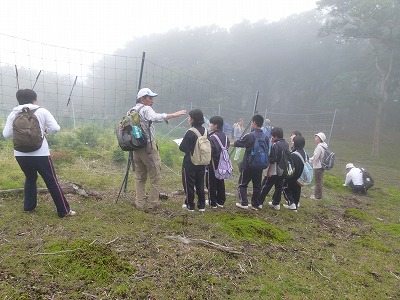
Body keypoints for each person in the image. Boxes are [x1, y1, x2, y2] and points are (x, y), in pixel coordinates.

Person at [2, 89, 75, 217]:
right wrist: (46, 130)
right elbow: (56, 128)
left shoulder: (14, 114)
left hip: (20, 154)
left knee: (30, 178)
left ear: (18, 100)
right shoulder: (42, 111)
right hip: (40, 153)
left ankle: (28, 207)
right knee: (51, 181)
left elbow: (6, 135)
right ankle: (64, 211)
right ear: (34, 99)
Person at [131, 88, 187, 211]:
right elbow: (155, 117)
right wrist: (173, 115)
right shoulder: (146, 109)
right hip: (148, 147)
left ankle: (139, 203)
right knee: (155, 176)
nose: (152, 101)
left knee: (140, 176)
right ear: (142, 99)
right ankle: (152, 204)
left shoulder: (132, 110)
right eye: (149, 98)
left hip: (135, 147)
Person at [234, 114, 269, 210]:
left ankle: (244, 203)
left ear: (253, 123)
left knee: (242, 184)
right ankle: (255, 204)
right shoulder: (266, 137)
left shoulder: (250, 135)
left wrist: (230, 143)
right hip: (260, 165)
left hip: (248, 164)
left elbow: (239, 143)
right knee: (257, 185)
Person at [179, 109, 208, 212]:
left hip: (190, 162)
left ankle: (190, 205)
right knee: (200, 183)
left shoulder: (190, 132)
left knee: (188, 183)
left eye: (189, 117)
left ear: (193, 119)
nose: (188, 119)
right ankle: (201, 205)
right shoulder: (205, 131)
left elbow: (182, 147)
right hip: (202, 161)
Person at [258, 127, 290, 210]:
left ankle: (259, 203)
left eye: (272, 135)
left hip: (274, 170)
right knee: (279, 187)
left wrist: (269, 171)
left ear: (275, 136)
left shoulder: (276, 145)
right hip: (283, 170)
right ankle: (276, 203)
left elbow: (272, 160)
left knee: (266, 186)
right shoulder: (286, 144)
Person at [206, 116, 230, 208]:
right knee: (220, 181)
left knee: (210, 182)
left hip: (213, 163)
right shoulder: (225, 136)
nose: (210, 125)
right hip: (223, 163)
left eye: (211, 123)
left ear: (215, 125)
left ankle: (212, 202)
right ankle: (221, 201)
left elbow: (210, 151)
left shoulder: (212, 137)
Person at [282, 135, 306, 211]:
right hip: (299, 176)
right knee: (296, 190)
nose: (292, 143)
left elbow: (291, 166)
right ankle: (295, 204)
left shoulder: (295, 154)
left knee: (286, 188)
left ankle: (291, 204)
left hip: (293, 176)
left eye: (293, 141)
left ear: (296, 144)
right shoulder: (303, 153)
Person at [309, 132, 328, 200]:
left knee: (317, 182)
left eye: (316, 137)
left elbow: (315, 157)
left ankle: (317, 197)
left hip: (318, 166)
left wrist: (308, 160)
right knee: (319, 182)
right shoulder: (324, 146)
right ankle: (318, 195)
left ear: (320, 139)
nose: (315, 138)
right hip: (322, 166)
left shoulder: (319, 147)